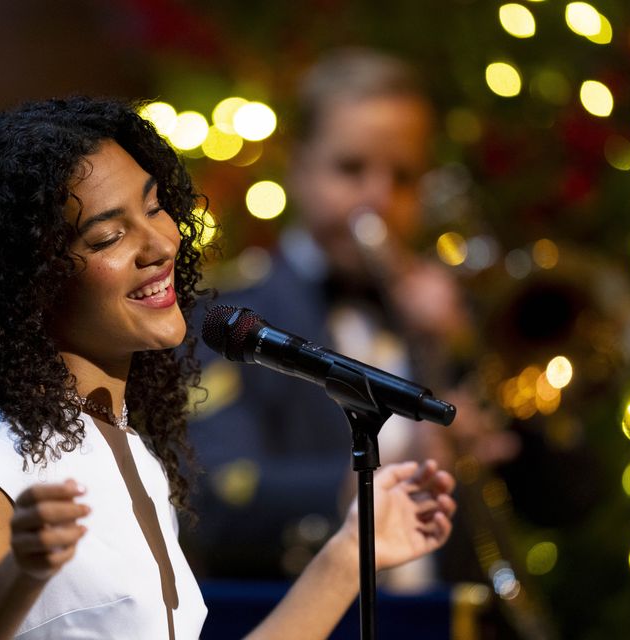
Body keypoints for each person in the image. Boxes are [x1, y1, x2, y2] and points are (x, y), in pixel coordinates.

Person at [0, 96, 457, 639]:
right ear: (28, 285)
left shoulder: (122, 441)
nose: (161, 244)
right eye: (108, 237)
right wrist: (19, 577)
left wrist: (351, 552)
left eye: (156, 206)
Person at [189, 49, 516, 587]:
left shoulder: (453, 315)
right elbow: (211, 497)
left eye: (404, 177)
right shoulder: (232, 312)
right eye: (351, 168)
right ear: (298, 166)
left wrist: (463, 347)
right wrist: (370, 481)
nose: (378, 200)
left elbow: (565, 494)